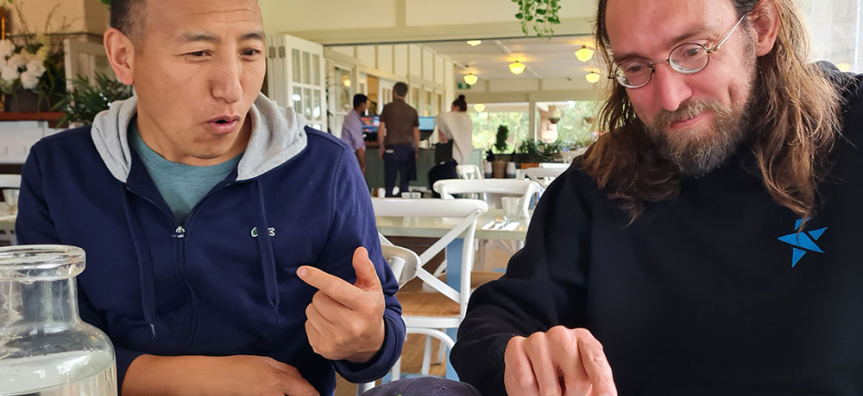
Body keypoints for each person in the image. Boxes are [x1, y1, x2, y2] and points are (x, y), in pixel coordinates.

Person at [452, 0, 863, 394]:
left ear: (761, 25)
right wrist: (524, 363)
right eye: (636, 67)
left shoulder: (852, 133)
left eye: (692, 51)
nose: (669, 97)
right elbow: (491, 325)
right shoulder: (598, 182)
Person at [14, 0, 405, 395]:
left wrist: (365, 339)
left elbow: (379, 331)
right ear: (123, 56)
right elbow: (41, 345)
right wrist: (197, 380)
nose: (232, 89)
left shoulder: (323, 165)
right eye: (198, 53)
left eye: (250, 52)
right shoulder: (59, 169)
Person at [378, 82, 419, 197]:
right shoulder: (412, 111)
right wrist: (416, 149)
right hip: (408, 149)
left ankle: (389, 208)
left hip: (391, 148)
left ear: (394, 92)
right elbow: (416, 133)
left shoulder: (387, 108)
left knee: (389, 182)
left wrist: (381, 147)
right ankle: (404, 209)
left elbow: (381, 129)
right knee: (405, 182)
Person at [435, 95, 474, 166]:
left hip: (452, 153)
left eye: (452, 108)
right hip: (466, 152)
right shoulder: (468, 119)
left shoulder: (451, 116)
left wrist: (441, 131)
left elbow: (439, 118)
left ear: (456, 107)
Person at [342, 93, 368, 174]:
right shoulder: (353, 120)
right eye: (366, 104)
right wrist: (363, 165)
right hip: (350, 155)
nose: (366, 107)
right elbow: (358, 145)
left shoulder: (353, 117)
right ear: (362, 104)